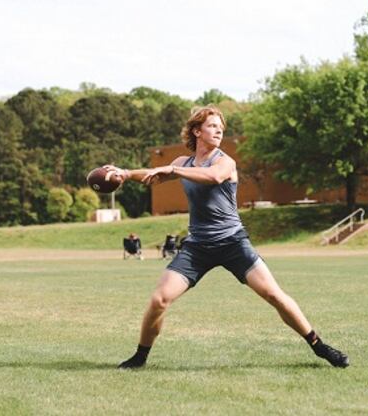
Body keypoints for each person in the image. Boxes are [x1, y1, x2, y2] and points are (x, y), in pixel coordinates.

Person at [107, 105, 349, 369]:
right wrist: (127, 174)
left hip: (233, 242)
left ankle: (319, 346)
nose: (219, 130)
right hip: (197, 247)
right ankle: (140, 358)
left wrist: (174, 171)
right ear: (197, 131)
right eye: (212, 126)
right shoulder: (182, 163)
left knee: (274, 295)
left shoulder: (224, 161)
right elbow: (154, 177)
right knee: (159, 299)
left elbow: (213, 177)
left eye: (221, 127)